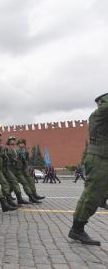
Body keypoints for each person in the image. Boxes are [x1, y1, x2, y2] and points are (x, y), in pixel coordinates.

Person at [69, 92, 108, 246]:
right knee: (91, 195)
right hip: (98, 160)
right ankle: (77, 229)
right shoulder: (98, 115)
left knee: (94, 194)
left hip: (103, 159)